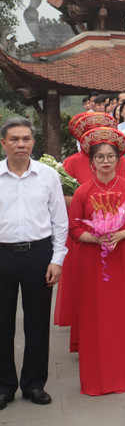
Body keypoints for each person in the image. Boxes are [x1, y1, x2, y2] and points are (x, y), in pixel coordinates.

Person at [68, 127, 125, 395]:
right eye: (99, 157)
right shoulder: (82, 192)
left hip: (122, 257)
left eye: (109, 156)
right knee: (95, 315)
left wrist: (119, 234)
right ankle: (98, 377)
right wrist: (97, 238)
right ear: (91, 162)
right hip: (92, 260)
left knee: (124, 313)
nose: (104, 161)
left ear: (118, 159)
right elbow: (75, 229)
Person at [0, 118, 68, 409]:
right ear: (3, 143)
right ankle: (4, 386)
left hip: (38, 254)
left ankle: (34, 384)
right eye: (14, 139)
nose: (21, 144)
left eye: (26, 139)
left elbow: (60, 222)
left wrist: (57, 259)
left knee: (37, 322)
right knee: (2, 324)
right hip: (2, 254)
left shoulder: (47, 175)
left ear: (33, 142)